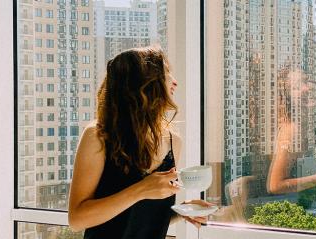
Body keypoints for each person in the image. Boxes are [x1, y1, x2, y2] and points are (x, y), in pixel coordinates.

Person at [68, 46, 211, 239]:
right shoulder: (98, 135)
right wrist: (140, 190)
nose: (174, 82)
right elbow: (77, 219)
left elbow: (142, 218)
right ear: (144, 83)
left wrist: (182, 212)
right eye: (166, 72)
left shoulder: (173, 142)